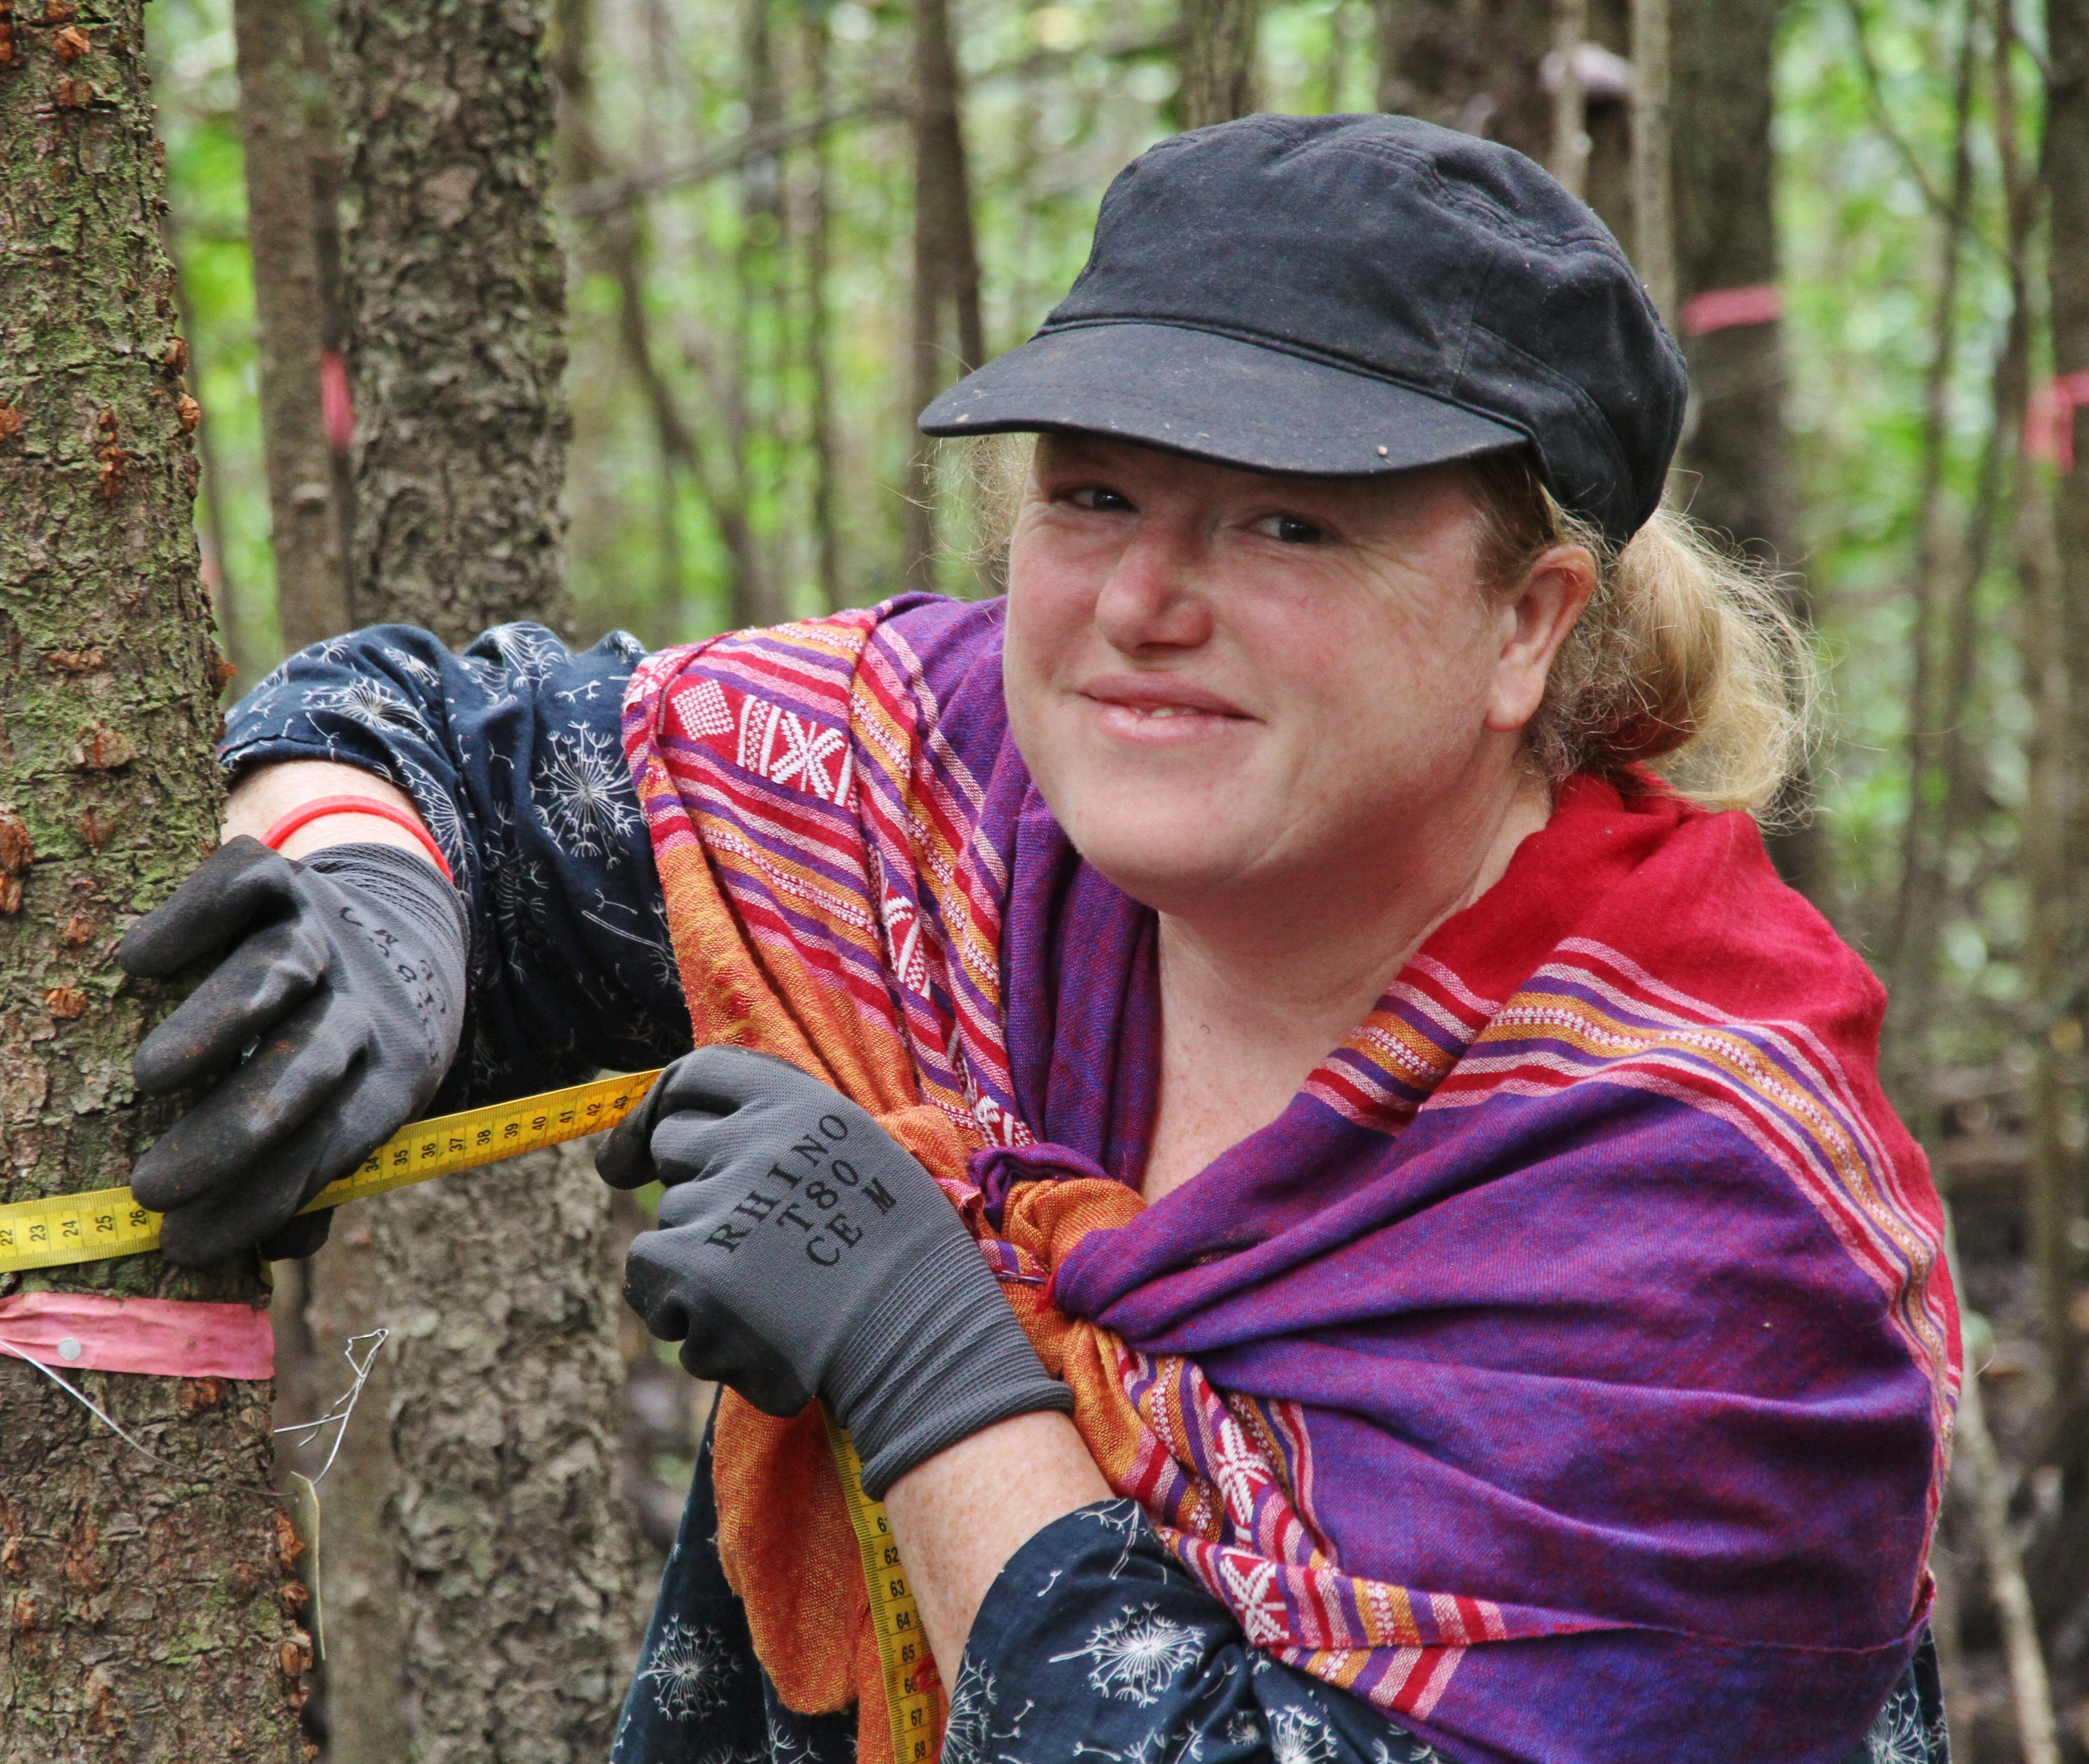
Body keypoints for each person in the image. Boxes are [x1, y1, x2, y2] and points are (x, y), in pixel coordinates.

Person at [119, 115, 1957, 1764]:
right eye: (1093, 496)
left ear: (1528, 626)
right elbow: (427, 741)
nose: (1142, 603)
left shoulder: (1710, 1213)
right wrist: (373, 906)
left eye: (1287, 524)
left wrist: (926, 1358)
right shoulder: (944, 801)